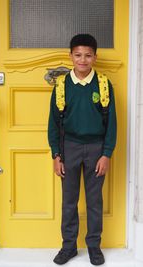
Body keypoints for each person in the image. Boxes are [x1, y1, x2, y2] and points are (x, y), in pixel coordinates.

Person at [48, 34, 117, 265]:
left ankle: (94, 246)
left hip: (96, 149)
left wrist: (106, 153)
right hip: (69, 149)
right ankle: (68, 247)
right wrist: (56, 155)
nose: (83, 60)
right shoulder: (61, 86)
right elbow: (53, 125)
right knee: (69, 201)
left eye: (88, 55)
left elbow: (112, 124)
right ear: (70, 56)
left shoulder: (104, 85)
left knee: (94, 201)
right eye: (78, 55)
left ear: (95, 57)